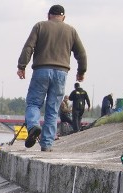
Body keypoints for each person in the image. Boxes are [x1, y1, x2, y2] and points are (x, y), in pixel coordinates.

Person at [16, 4, 87, 152]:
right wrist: (81, 71)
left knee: (34, 103)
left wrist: (22, 66)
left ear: (48, 15)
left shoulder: (40, 26)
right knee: (53, 109)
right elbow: (81, 54)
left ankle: (34, 126)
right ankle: (47, 145)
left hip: (41, 70)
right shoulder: (71, 31)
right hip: (61, 73)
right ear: (64, 17)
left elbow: (29, 47)